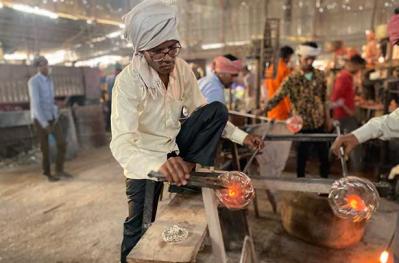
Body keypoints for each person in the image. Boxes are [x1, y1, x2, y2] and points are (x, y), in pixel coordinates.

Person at [110, 1, 264, 262]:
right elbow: (121, 143)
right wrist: (159, 164)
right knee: (139, 228)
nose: (168, 57)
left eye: (172, 48)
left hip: (177, 151)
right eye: (158, 51)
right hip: (146, 160)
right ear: (142, 51)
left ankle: (187, 174)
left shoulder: (182, 69)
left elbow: (203, 112)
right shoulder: (128, 82)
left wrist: (242, 137)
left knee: (216, 110)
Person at [263, 42, 330, 178]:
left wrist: (327, 118)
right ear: (299, 57)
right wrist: (263, 109)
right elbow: (278, 96)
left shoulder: (320, 76)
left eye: (312, 58)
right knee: (302, 155)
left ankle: (325, 185)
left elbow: (324, 99)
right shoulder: (292, 79)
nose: (310, 61)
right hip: (301, 123)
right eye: (307, 58)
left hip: (318, 121)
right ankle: (301, 182)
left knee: (324, 155)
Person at [28, 56, 71, 181]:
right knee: (45, 147)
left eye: (47, 64)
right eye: (42, 65)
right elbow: (36, 104)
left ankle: (59, 170)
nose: (46, 66)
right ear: (38, 67)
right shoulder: (33, 82)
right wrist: (44, 123)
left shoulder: (50, 81)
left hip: (52, 117)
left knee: (62, 143)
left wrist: (56, 109)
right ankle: (47, 173)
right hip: (39, 119)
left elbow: (50, 101)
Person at [256, 46, 295, 179]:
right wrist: (291, 112)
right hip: (283, 114)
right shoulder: (285, 69)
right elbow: (287, 94)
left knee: (272, 144)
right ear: (288, 56)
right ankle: (275, 174)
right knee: (282, 147)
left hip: (271, 112)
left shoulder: (270, 69)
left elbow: (266, 91)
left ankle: (269, 172)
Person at [105, 63, 123, 131]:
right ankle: (109, 127)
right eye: (117, 70)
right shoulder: (110, 79)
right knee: (111, 113)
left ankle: (115, 128)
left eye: (119, 70)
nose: (118, 72)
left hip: (119, 100)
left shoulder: (121, 78)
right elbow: (108, 90)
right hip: (112, 99)